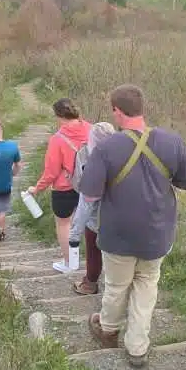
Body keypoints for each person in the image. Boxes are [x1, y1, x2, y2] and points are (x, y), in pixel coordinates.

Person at [79, 84, 186, 367]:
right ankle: (137, 346)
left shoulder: (107, 147)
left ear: (116, 111)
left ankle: (108, 329)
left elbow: (90, 193)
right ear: (142, 108)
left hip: (118, 233)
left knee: (117, 285)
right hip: (157, 232)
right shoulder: (172, 142)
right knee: (147, 284)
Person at [27, 98, 91, 273]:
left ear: (59, 116)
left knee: (64, 224)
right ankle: (93, 262)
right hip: (90, 184)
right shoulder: (91, 130)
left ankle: (70, 263)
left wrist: (38, 188)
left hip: (65, 187)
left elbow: (51, 171)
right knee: (90, 223)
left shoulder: (58, 139)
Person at [68, 121, 115, 295]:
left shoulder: (85, 155)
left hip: (96, 217)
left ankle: (90, 283)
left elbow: (82, 191)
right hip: (121, 214)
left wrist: (74, 234)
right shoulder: (124, 152)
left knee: (93, 250)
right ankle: (119, 287)